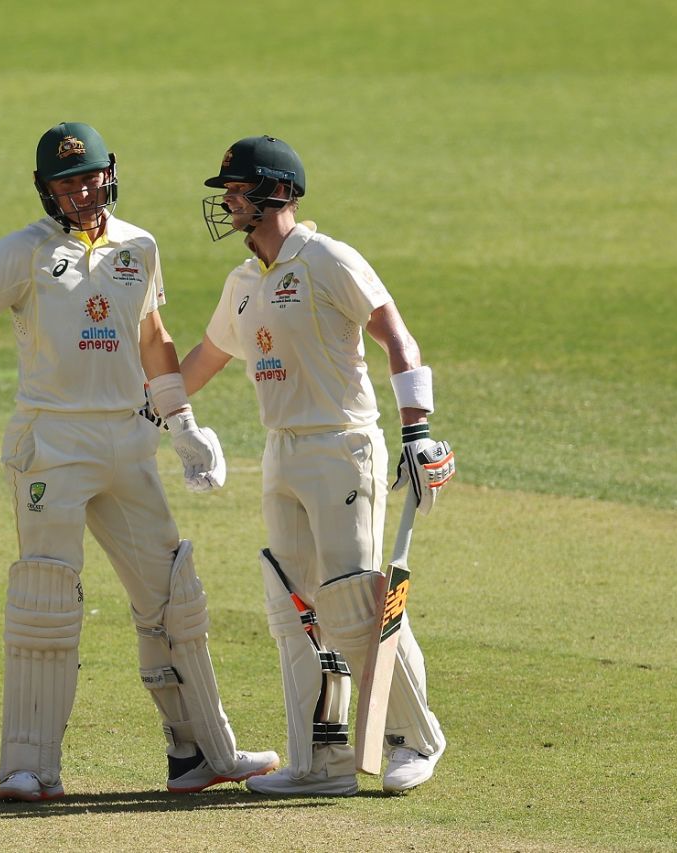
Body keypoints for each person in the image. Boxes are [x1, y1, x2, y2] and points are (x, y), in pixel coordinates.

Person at [0, 122, 279, 802]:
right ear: (46, 189)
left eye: (90, 177)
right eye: (67, 181)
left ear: (110, 173)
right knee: (47, 599)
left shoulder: (139, 246)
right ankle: (28, 765)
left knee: (173, 596)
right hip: (52, 443)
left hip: (128, 444)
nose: (83, 191)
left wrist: (184, 422)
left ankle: (200, 752)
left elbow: (153, 335)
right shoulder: (24, 252)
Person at [179, 135, 456, 796]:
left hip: (342, 445)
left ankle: (415, 736)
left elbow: (395, 331)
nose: (230, 201)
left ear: (276, 192)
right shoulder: (243, 282)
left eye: (238, 189)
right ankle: (324, 760)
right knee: (298, 611)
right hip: (280, 450)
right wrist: (149, 406)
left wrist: (417, 429)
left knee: (355, 603)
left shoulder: (327, 258)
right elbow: (205, 358)